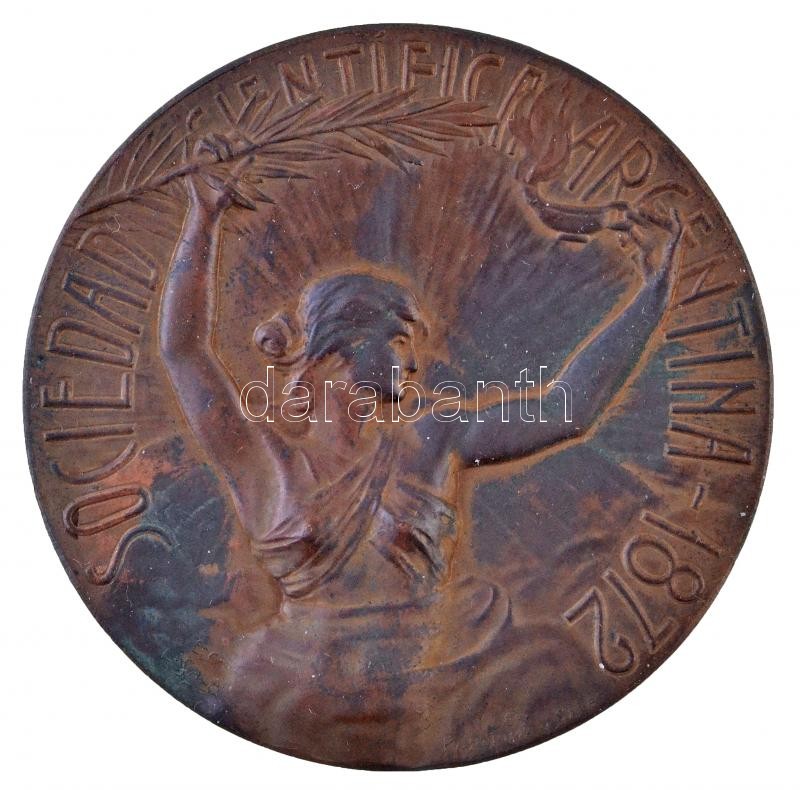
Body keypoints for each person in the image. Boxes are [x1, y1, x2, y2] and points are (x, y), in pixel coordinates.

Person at [158, 135, 683, 763]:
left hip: (448, 680)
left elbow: (567, 409)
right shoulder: (267, 463)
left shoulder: (434, 437)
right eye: (400, 341)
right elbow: (183, 354)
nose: (414, 362)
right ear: (343, 343)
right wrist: (203, 217)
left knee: (556, 672)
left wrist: (653, 294)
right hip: (294, 694)